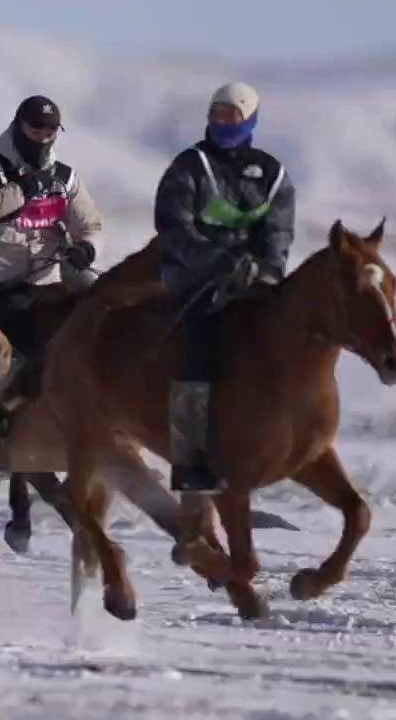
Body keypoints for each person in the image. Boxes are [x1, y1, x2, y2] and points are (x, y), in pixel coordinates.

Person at [153, 81, 296, 493]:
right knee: (197, 352)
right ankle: (189, 457)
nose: (222, 120)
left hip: (252, 284)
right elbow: (174, 228)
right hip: (194, 281)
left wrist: (267, 270)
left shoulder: (273, 175)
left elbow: (278, 233)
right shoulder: (189, 166)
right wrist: (219, 263)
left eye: (231, 114)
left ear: (249, 118)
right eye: (216, 113)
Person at [0, 94, 104, 481]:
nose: (42, 137)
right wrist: (25, 188)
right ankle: (5, 440)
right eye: (34, 128)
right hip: (1, 287)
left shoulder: (66, 178)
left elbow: (89, 223)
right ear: (18, 127)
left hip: (51, 281)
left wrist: (85, 249)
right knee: (37, 347)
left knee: (101, 317)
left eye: (50, 130)